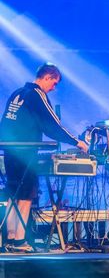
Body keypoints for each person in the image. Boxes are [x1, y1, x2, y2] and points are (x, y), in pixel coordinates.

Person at [0, 63, 88, 252]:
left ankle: (10, 239)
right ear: (47, 77)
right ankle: (19, 241)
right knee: (25, 195)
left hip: (10, 150)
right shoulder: (37, 94)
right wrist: (76, 142)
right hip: (25, 152)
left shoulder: (17, 93)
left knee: (13, 194)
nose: (54, 88)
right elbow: (52, 124)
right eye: (54, 83)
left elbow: (5, 122)